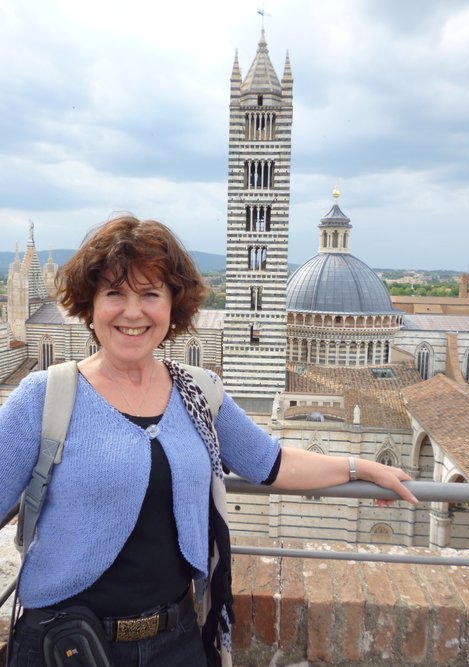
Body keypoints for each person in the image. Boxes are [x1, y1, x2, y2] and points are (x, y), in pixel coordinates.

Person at [0, 215, 418, 667]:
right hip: (63, 644)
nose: (133, 312)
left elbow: (271, 463)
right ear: (91, 304)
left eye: (150, 294)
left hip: (175, 640)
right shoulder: (44, 397)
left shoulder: (199, 393)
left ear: (173, 306)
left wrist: (362, 467)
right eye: (114, 293)